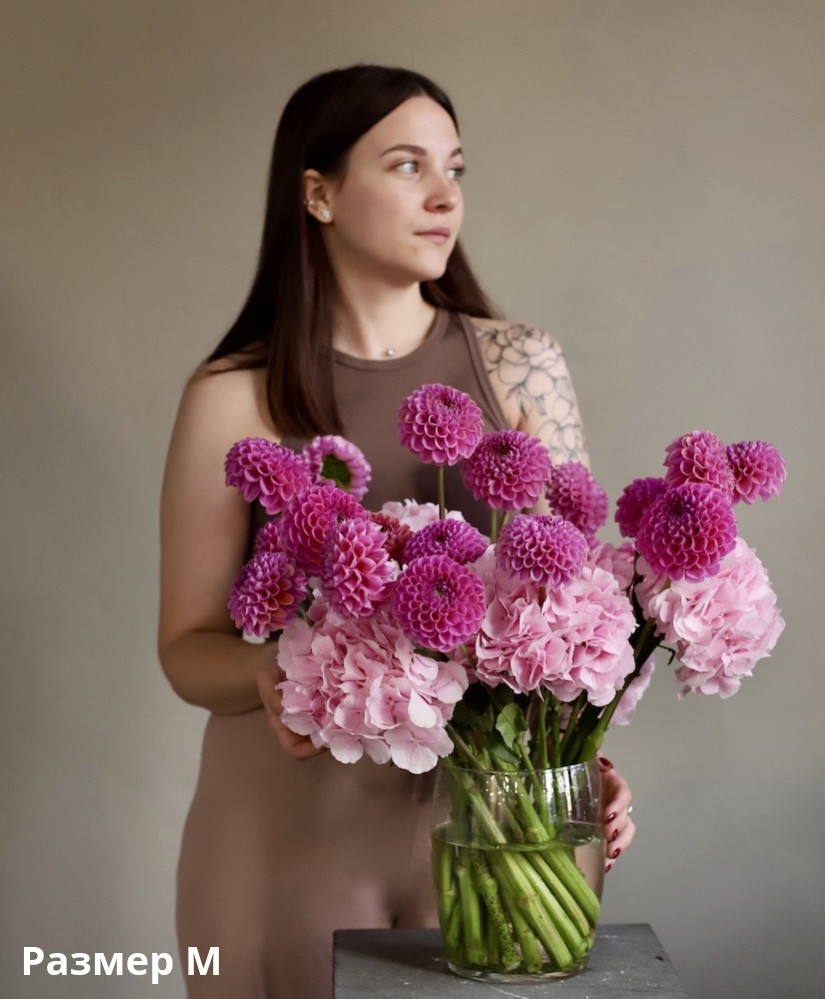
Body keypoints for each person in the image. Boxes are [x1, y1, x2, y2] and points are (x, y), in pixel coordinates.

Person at [158, 65, 636, 998]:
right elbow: (184, 648)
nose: (444, 194)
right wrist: (270, 670)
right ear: (318, 193)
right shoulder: (229, 397)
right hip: (285, 830)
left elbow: (572, 619)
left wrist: (585, 760)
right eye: (407, 165)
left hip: (497, 830)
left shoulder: (520, 367)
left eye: (454, 166)